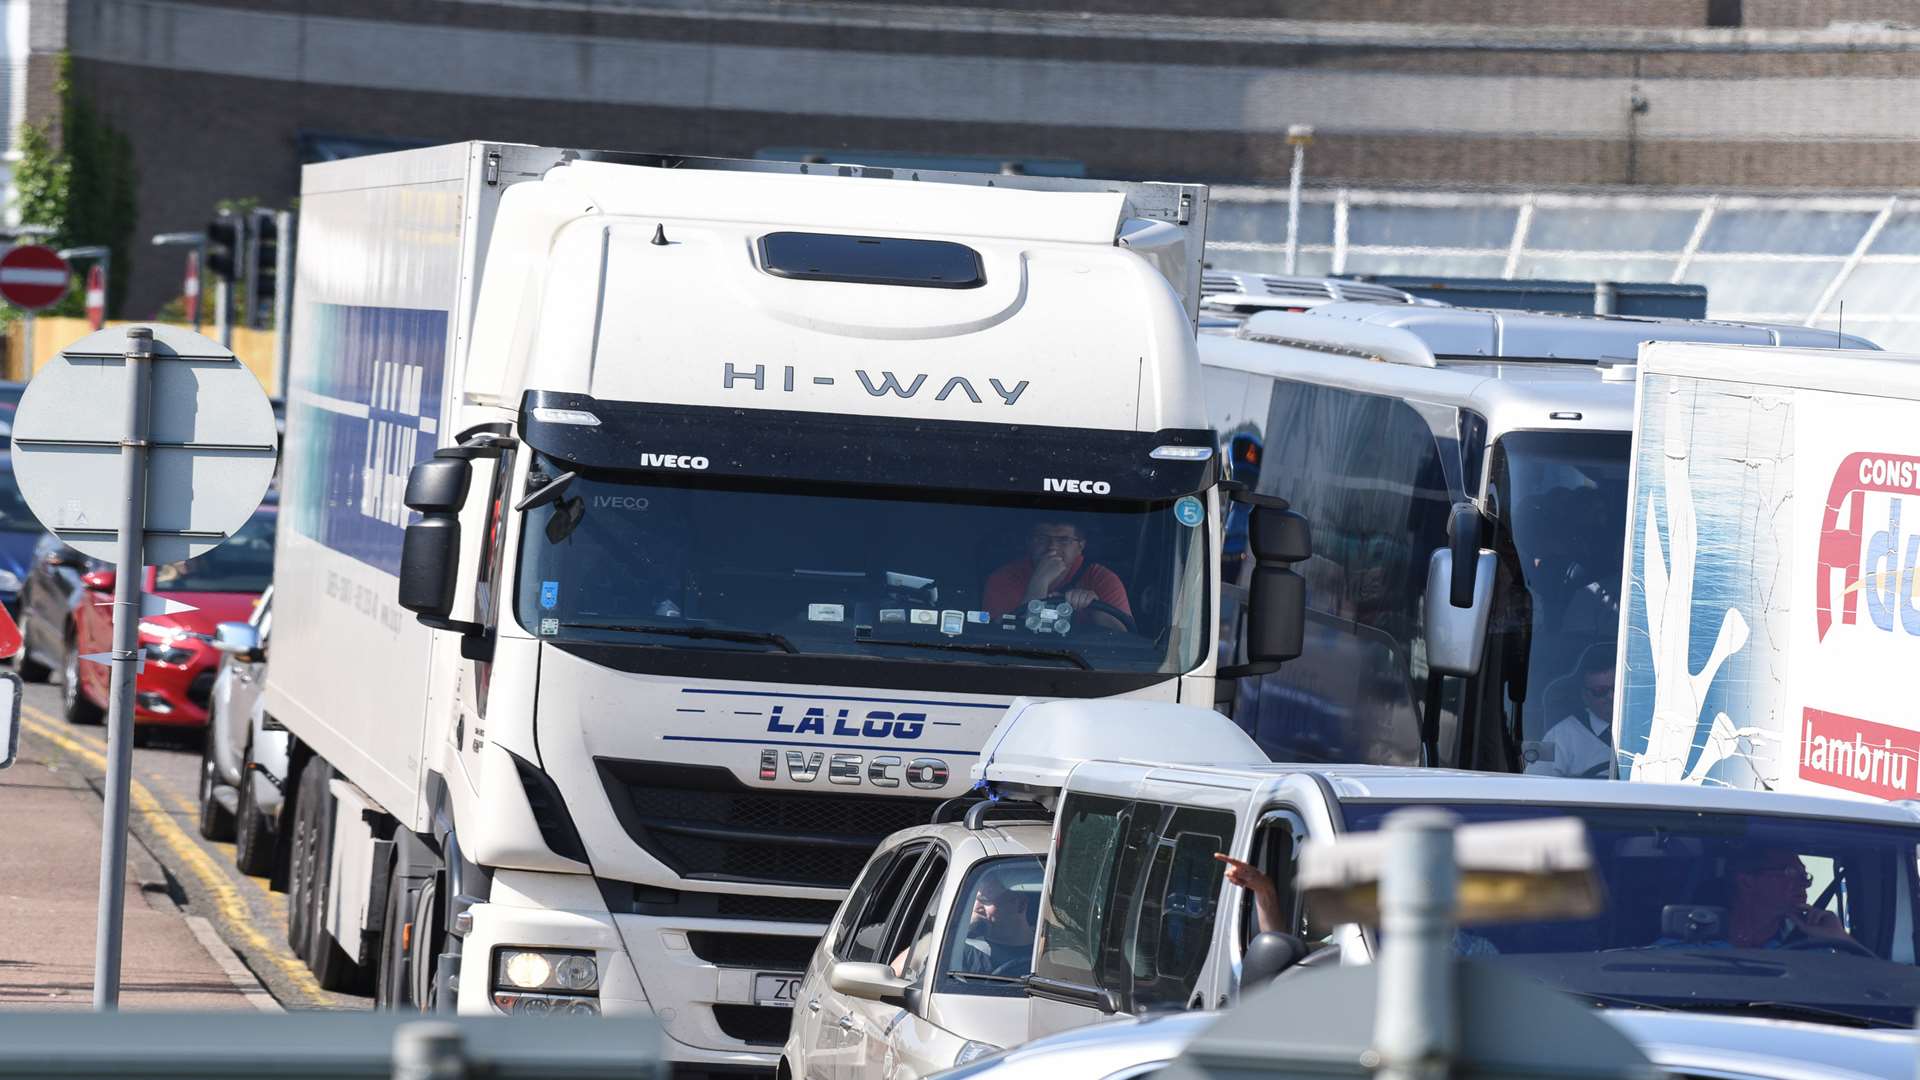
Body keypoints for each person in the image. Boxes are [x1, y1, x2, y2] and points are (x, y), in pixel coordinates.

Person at [983, 520, 1131, 630]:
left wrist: (1095, 609)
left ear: (1080, 547)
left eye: (1064, 540)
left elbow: (1126, 638)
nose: (1052, 547)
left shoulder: (1101, 578)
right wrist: (1040, 581)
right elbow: (1004, 637)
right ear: (1030, 543)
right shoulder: (1004, 577)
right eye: (1042, 538)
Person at [1722, 848, 1861, 950]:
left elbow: (1866, 981)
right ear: (1747, 882)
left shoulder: (1812, 947)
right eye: (1790, 872)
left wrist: (1839, 938)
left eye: (1804, 875)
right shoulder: (1702, 941)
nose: (1804, 883)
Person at [1524, 645, 1618, 779]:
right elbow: (1533, 785)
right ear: (1585, 697)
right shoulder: (1558, 736)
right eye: (1600, 691)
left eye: (1616, 688)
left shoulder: (1648, 728)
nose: (1611, 697)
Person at [950, 872, 1038, 977]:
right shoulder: (958, 952)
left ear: (1021, 905)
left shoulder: (1048, 955)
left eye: (985, 900)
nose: (976, 908)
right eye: (973, 899)